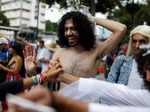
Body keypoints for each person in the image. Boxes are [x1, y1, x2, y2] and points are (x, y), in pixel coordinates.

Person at [51, 11, 126, 85]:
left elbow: (121, 29)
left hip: (86, 97)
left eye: (73, 28)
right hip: (61, 96)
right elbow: (49, 76)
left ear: (83, 29)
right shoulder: (60, 51)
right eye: (66, 29)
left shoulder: (96, 50)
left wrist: (93, 19)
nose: (68, 33)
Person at [107, 25, 150, 89]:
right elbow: (109, 88)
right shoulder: (121, 61)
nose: (137, 46)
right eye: (134, 41)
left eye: (142, 41)